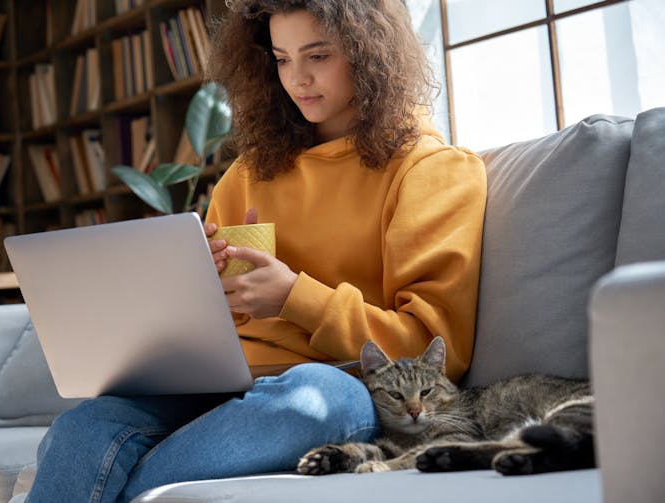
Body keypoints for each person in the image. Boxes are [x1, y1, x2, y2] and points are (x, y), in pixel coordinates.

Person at [24, 1, 486, 501]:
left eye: (318, 56)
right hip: (218, 384)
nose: (298, 79)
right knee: (84, 427)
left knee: (316, 400)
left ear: (368, 54)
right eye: (282, 59)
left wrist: (293, 296)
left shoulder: (431, 170)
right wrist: (200, 290)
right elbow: (229, 318)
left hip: (337, 383)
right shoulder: (250, 171)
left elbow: (433, 349)